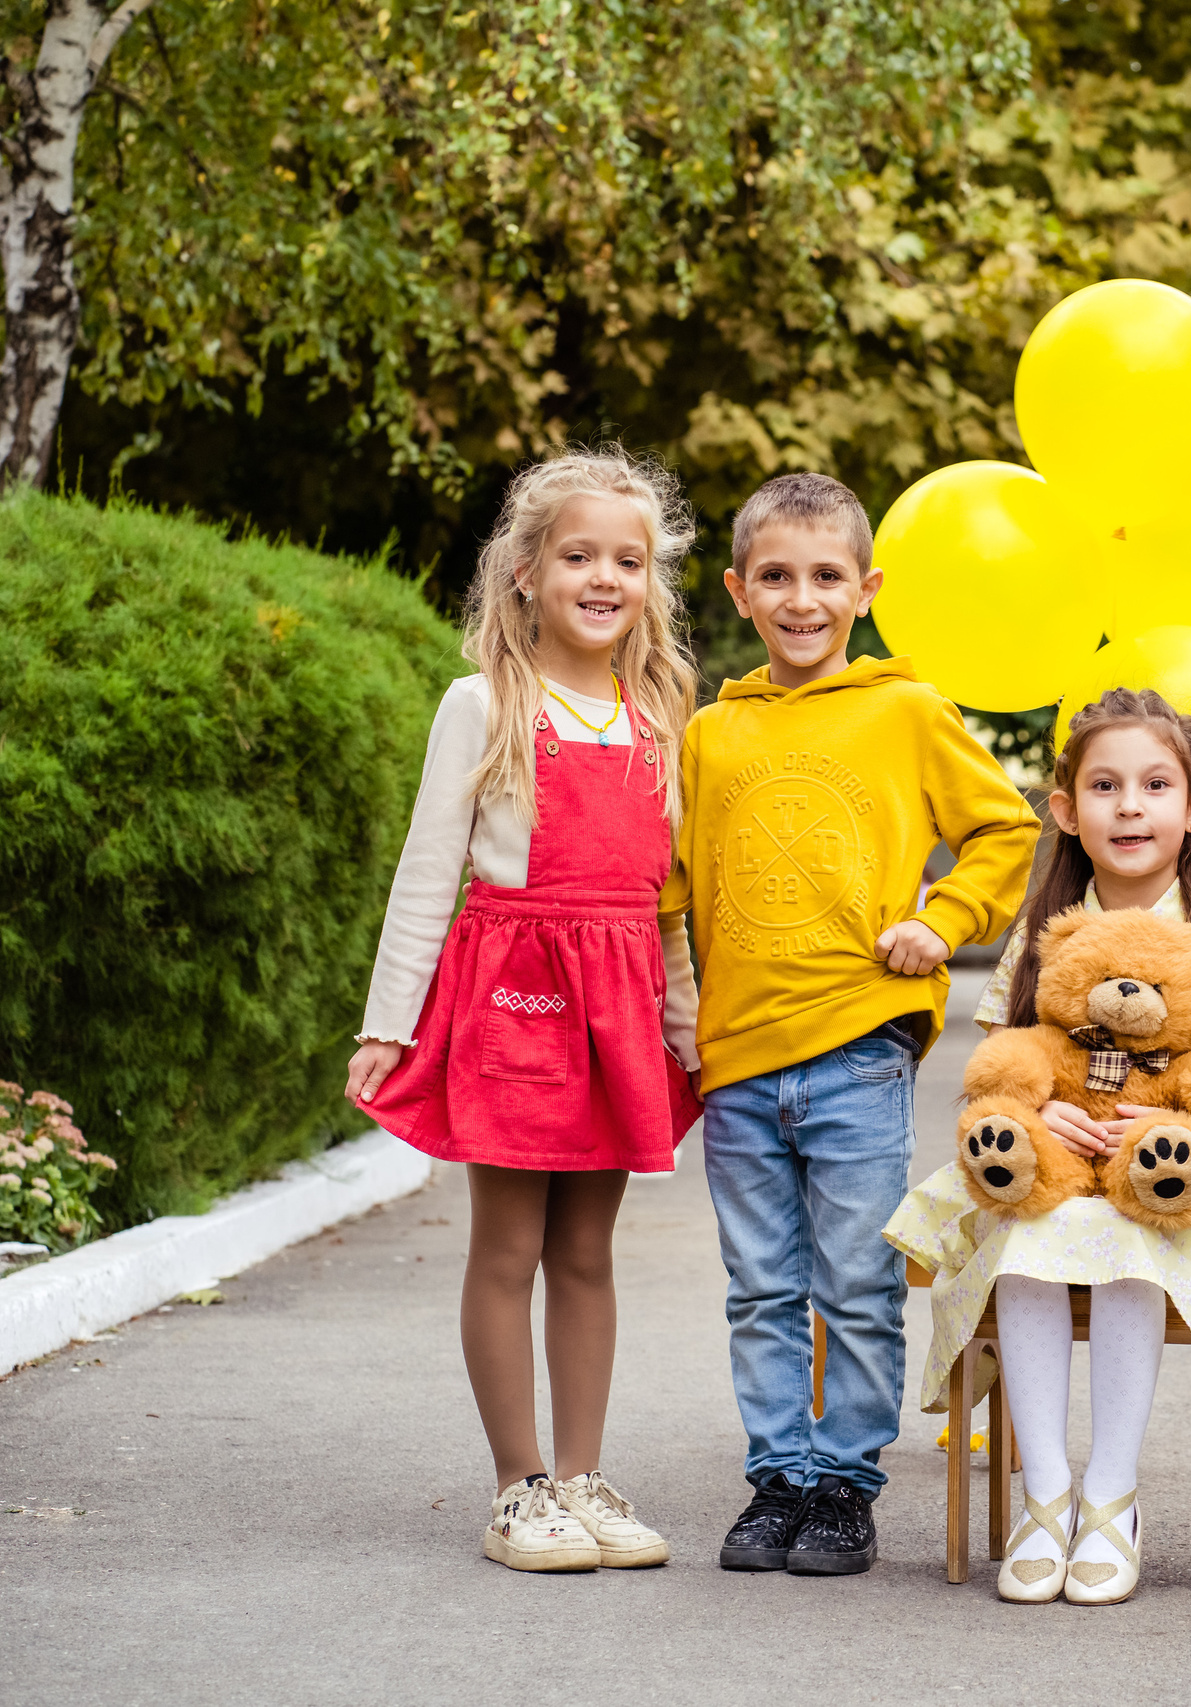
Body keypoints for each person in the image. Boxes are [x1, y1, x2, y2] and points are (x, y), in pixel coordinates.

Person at [886, 688, 1191, 1607]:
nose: (1130, 806)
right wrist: (1038, 1115)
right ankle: (1045, 1492)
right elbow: (996, 1072)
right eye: (1104, 785)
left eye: (1154, 784)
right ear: (1066, 810)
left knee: (1128, 1249)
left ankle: (1111, 1493)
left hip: (1178, 1190)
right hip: (1054, 1177)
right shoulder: (1043, 933)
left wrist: (1175, 1130)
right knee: (1025, 1246)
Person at [665, 471, 1042, 1578]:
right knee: (762, 1287)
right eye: (776, 576)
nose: (802, 598)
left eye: (827, 576)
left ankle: (845, 1483)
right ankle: (776, 1477)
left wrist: (942, 919)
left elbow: (1002, 833)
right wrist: (678, 1010)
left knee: (856, 1280)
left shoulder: (909, 711)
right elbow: (667, 891)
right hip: (736, 1061)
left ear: (866, 588)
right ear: (738, 590)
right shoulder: (709, 733)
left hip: (858, 1046)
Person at [346, 446, 704, 1573]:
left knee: (587, 1251)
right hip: (516, 995)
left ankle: (584, 1477)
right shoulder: (484, 701)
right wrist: (387, 1023)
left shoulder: (662, 712)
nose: (605, 577)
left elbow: (675, 901)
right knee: (507, 1247)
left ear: (652, 582)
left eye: (629, 560)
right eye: (580, 555)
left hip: (620, 1001)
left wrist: (687, 1024)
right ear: (525, 571)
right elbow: (426, 873)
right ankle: (518, 1488)